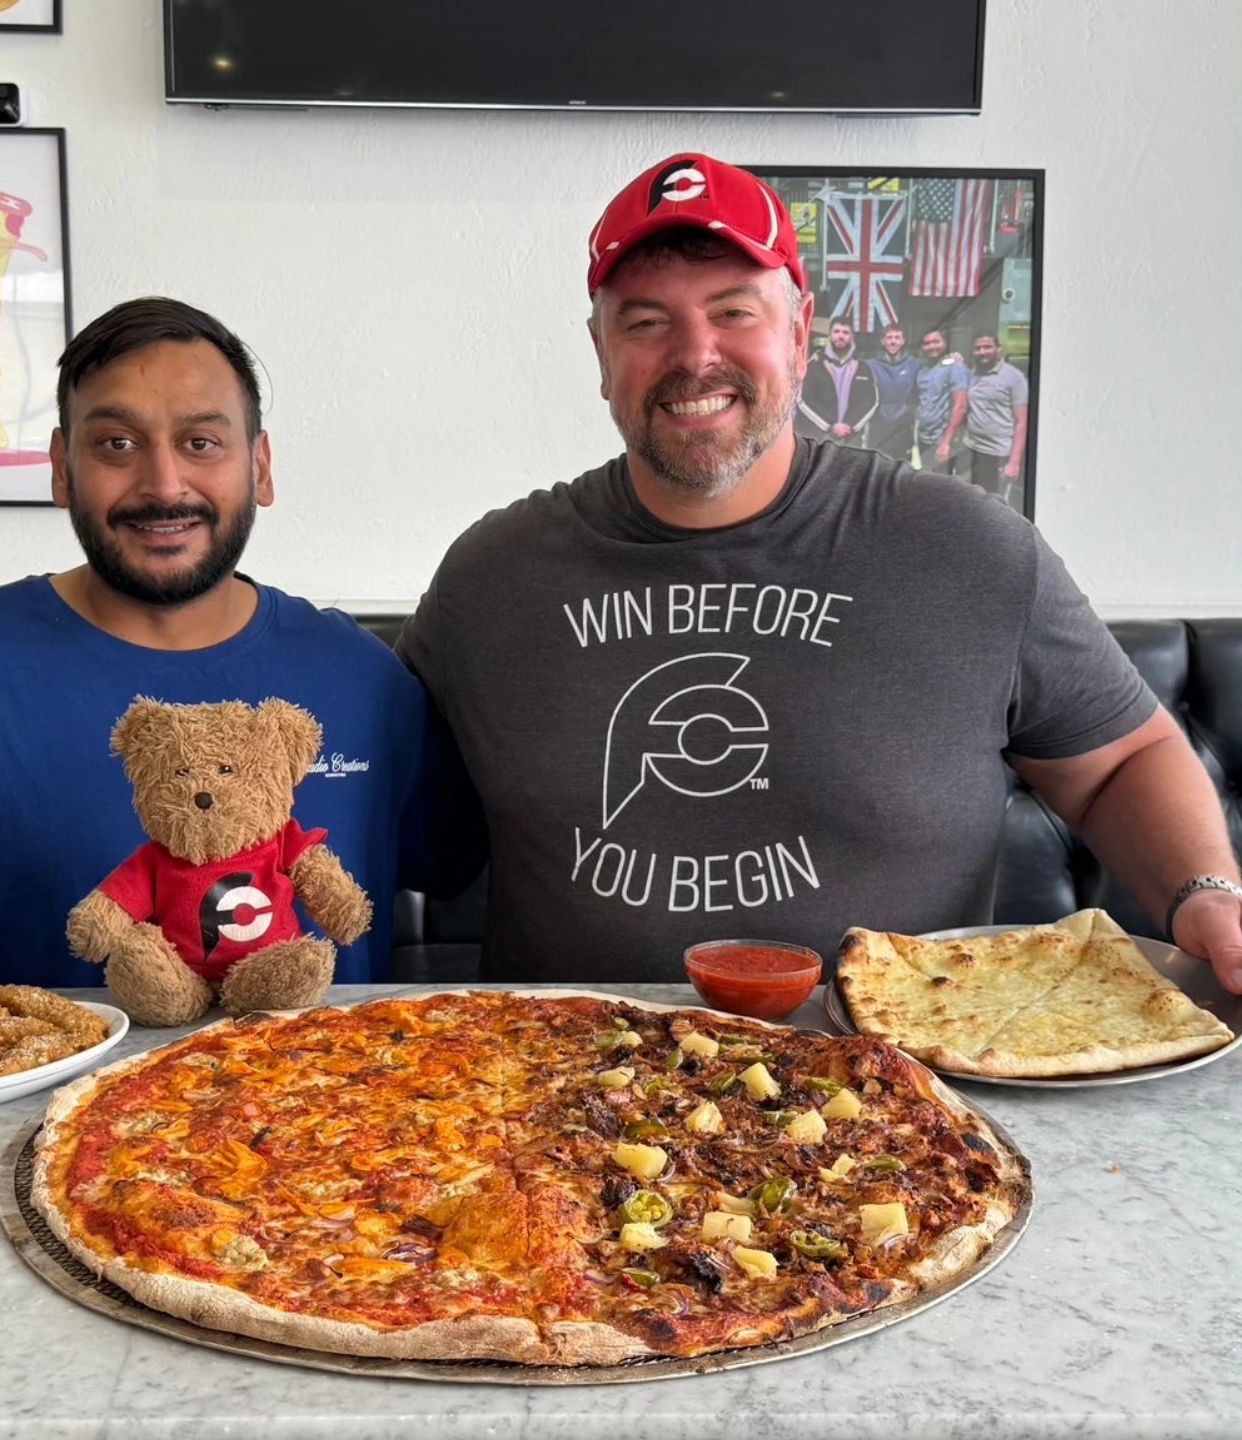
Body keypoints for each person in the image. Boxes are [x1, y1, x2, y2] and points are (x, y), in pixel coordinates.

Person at [396, 152, 1242, 994]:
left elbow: (1124, 761)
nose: (695, 356)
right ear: (600, 352)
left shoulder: (967, 550)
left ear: (800, 333)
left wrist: (1206, 894)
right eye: (646, 321)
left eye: (734, 311)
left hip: (898, 1088)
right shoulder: (492, 578)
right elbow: (374, 790)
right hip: (543, 1094)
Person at [0, 297, 461, 993]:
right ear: (61, 468)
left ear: (260, 468)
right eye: (116, 443)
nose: (163, 485)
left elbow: (471, 865)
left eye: (201, 443)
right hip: (15, 1102)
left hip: (332, 1094)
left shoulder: (365, 681)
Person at [964, 331, 1029, 502]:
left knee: (993, 505)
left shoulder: (1014, 377)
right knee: (972, 499)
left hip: (998, 452)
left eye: (987, 347)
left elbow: (1021, 422)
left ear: (998, 349)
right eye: (978, 348)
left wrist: (1014, 462)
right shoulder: (972, 372)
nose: (982, 352)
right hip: (971, 446)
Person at [795, 315, 877, 447]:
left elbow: (871, 401)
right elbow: (803, 400)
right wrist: (830, 426)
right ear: (830, 335)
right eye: (836, 331)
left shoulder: (863, 369)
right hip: (817, 439)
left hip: (851, 440)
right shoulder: (814, 365)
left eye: (845, 332)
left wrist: (851, 426)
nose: (841, 336)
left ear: (852, 337)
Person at [915, 329, 970, 474]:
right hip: (924, 438)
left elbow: (961, 406)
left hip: (942, 440)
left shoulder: (956, 367)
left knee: (942, 486)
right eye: (927, 343)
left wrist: (946, 442)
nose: (931, 346)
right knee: (926, 480)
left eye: (936, 342)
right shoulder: (923, 370)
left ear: (945, 343)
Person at [865, 323, 922, 461]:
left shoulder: (915, 364)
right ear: (883, 342)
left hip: (903, 425)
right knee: (878, 465)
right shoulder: (869, 365)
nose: (893, 341)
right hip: (878, 424)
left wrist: (953, 357)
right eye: (889, 338)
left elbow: (936, 364)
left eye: (897, 337)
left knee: (901, 468)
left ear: (903, 341)